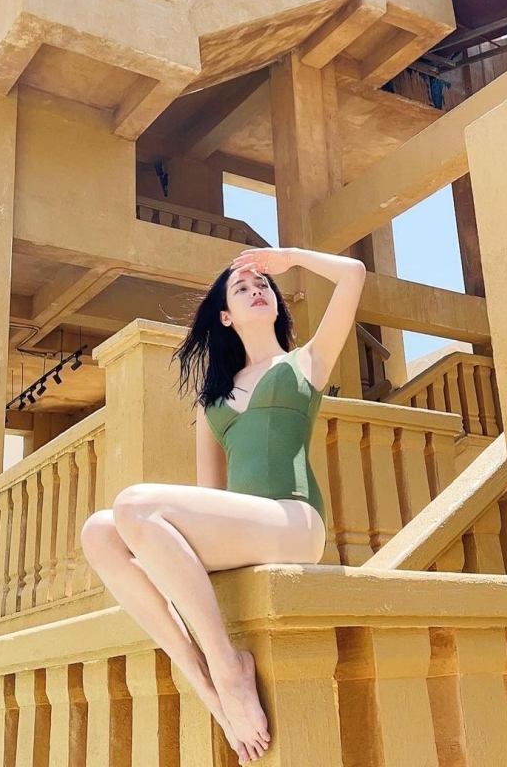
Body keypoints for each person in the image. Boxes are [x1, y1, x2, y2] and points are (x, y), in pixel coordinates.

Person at [80, 246, 366, 764]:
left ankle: (229, 666)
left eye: (264, 286)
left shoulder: (305, 362)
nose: (257, 290)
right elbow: (211, 496)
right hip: (246, 531)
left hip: (295, 521)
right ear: (226, 316)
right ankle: (208, 685)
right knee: (99, 531)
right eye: (242, 288)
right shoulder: (213, 403)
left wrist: (287, 258)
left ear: (275, 303)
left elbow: (353, 274)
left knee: (134, 505)